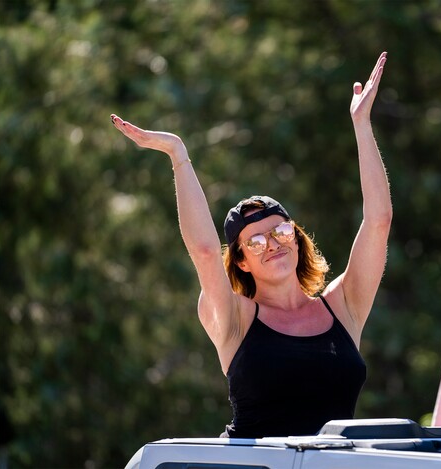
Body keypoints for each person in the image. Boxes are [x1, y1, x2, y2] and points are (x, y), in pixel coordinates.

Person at [110, 52, 391, 438]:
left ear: (297, 237)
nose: (272, 244)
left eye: (280, 231)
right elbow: (206, 252)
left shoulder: (343, 307)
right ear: (240, 261)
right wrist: (178, 154)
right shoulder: (235, 318)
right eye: (255, 241)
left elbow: (378, 222)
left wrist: (361, 124)